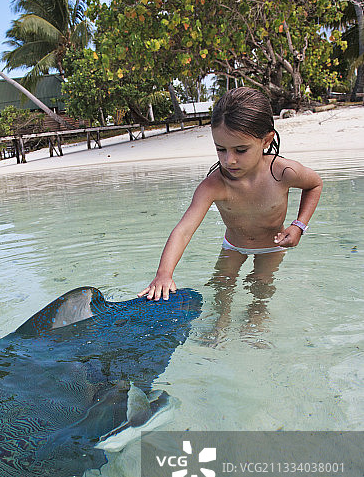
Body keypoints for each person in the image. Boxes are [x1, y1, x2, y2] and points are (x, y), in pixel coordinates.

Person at [138, 88, 323, 319]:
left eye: (241, 150)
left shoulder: (283, 172)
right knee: (221, 284)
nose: (229, 160)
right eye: (221, 149)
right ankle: (221, 322)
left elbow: (314, 185)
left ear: (266, 140)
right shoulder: (214, 185)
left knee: (260, 286)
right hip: (233, 245)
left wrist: (299, 226)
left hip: (271, 246)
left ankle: (257, 318)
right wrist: (164, 273)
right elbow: (184, 230)